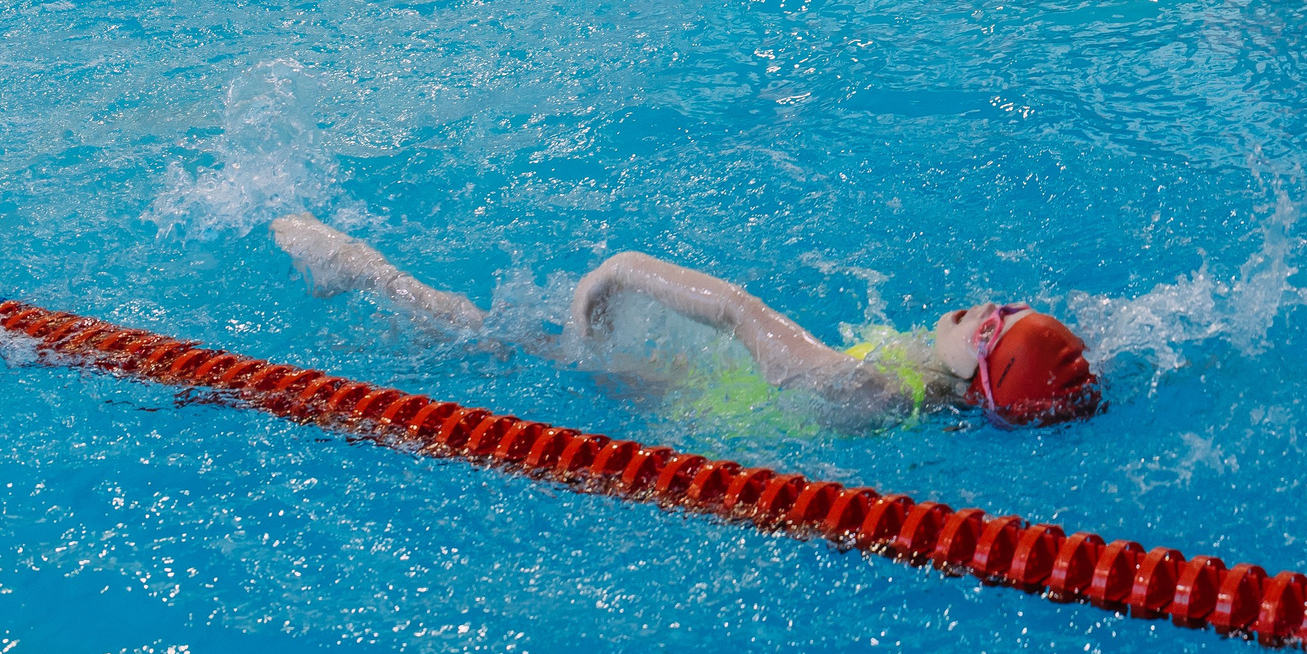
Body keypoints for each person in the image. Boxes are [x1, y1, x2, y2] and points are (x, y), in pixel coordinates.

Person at [270, 214, 1101, 430]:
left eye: (996, 328)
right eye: (1012, 306)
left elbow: (739, 310)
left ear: (980, 372)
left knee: (496, 341)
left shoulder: (855, 385)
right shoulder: (916, 386)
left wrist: (615, 270)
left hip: (676, 398)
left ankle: (361, 271)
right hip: (723, 399)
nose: (990, 308)